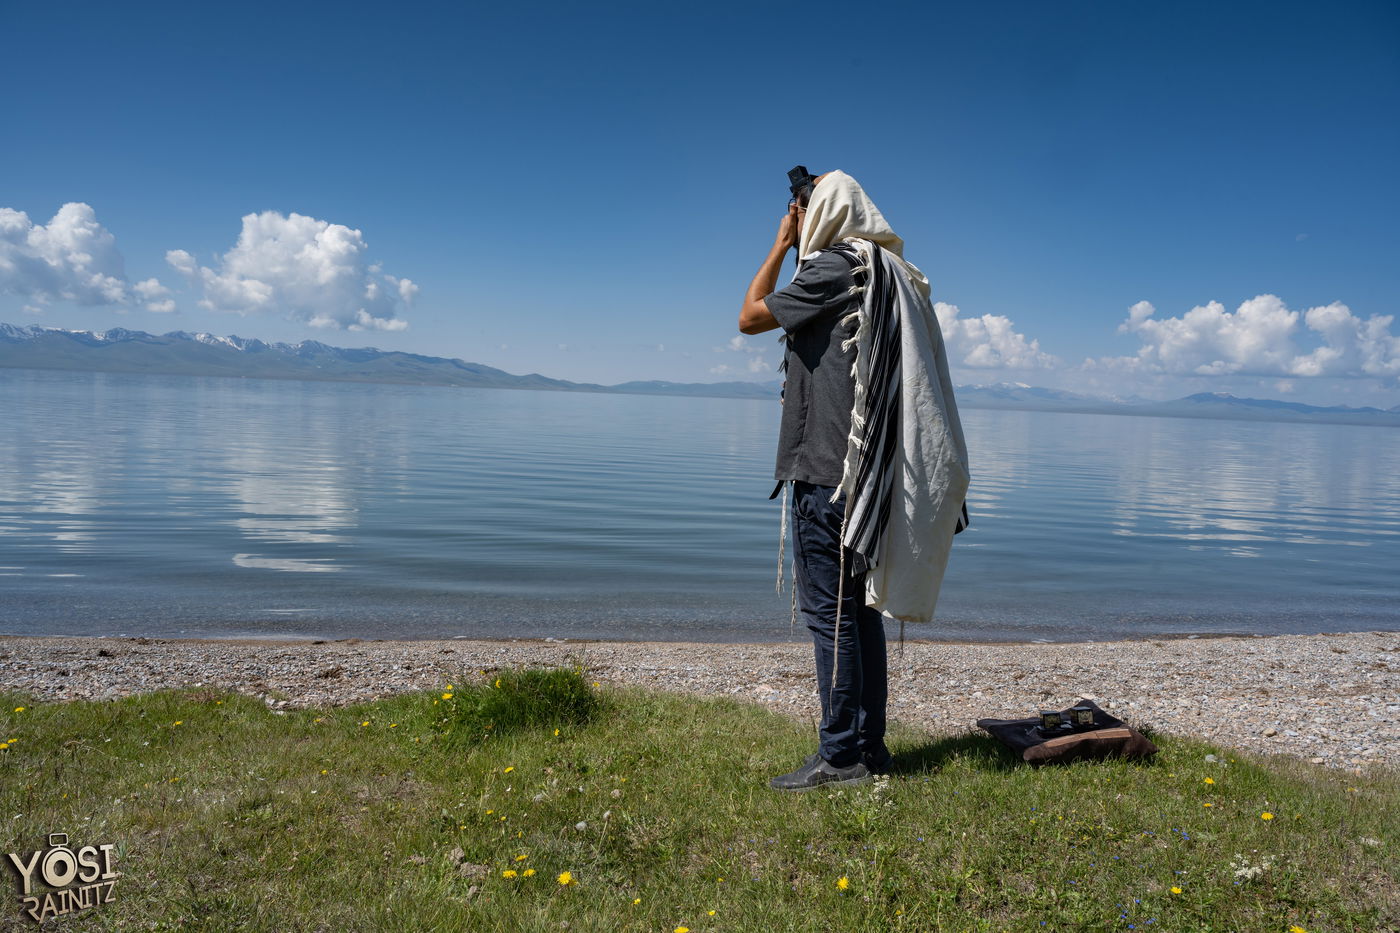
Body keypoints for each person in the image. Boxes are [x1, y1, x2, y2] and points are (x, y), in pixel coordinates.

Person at [739, 167, 969, 793]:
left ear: (816, 213)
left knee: (831, 617)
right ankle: (870, 748)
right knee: (860, 614)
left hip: (826, 476)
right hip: (870, 477)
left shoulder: (833, 269)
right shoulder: (890, 273)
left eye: (801, 210)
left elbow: (750, 316)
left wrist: (782, 244)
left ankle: (840, 757)